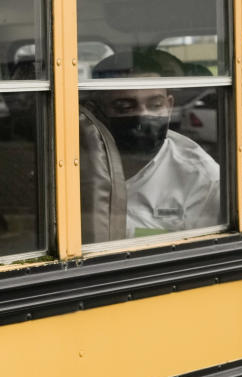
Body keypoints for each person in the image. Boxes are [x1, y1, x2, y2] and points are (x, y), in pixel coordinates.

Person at [89, 49, 221, 237]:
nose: (142, 116)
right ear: (97, 111)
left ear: (169, 105)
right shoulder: (79, 159)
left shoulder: (203, 179)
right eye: (125, 107)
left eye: (155, 106)